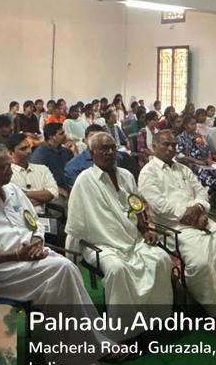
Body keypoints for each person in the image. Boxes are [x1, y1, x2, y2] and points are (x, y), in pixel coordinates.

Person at [0, 143, 111, 365]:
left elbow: (34, 223)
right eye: (3, 167)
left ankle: (77, 355)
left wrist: (36, 241)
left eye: (9, 165)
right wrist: (16, 254)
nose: (10, 171)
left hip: (32, 260)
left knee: (61, 280)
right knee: (64, 269)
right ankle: (84, 352)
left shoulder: (14, 191)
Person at [65, 133, 174, 333]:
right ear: (91, 153)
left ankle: (155, 320)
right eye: (103, 149)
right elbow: (76, 224)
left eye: (112, 148)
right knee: (117, 270)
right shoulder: (84, 181)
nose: (109, 152)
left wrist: (144, 229)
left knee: (161, 259)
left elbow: (136, 205)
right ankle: (124, 331)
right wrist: (71, 255)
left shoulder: (126, 175)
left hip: (132, 238)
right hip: (101, 244)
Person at [140, 130, 216, 316]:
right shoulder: (148, 173)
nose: (170, 148)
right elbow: (159, 205)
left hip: (200, 219)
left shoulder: (183, 169)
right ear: (154, 147)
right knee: (201, 262)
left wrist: (199, 208)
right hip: (172, 227)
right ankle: (214, 309)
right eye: (165, 144)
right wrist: (190, 215)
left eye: (173, 145)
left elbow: (201, 191)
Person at [7, 133, 58, 216]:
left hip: (42, 216)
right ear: (10, 153)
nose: (29, 151)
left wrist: (23, 193)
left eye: (29, 147)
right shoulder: (6, 173)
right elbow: (12, 202)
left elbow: (52, 193)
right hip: (17, 217)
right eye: (23, 149)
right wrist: (41, 199)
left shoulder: (42, 169)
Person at [175, 117, 216, 193]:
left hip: (205, 162)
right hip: (191, 164)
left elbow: (207, 148)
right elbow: (179, 155)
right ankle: (208, 195)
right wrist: (196, 161)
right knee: (206, 176)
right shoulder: (180, 138)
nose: (195, 126)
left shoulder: (198, 136)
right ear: (186, 126)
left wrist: (209, 158)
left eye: (195, 124)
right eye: (192, 124)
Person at [31, 122, 75, 190]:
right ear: (52, 137)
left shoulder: (66, 152)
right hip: (52, 190)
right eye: (61, 134)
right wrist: (58, 190)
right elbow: (39, 180)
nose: (65, 135)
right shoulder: (40, 154)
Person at [63, 125, 108, 189]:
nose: (96, 140)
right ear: (85, 140)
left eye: (99, 137)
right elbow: (79, 190)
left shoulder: (116, 158)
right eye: (92, 137)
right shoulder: (73, 166)